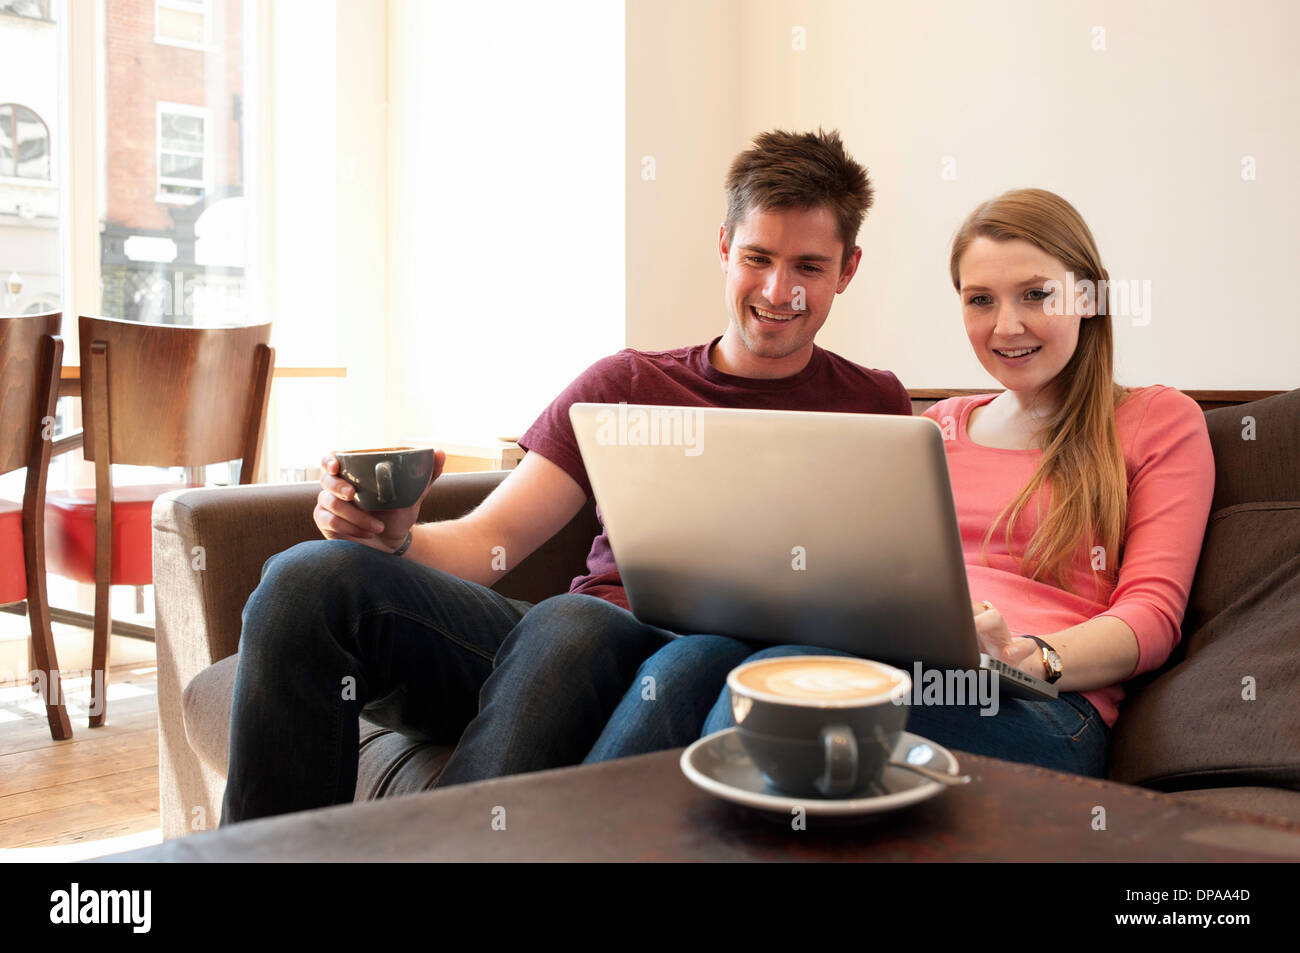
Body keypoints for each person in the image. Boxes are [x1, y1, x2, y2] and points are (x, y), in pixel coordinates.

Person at [220, 128, 912, 824]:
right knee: (306, 578)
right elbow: (489, 541)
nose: (778, 289)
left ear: (847, 269)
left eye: (809, 267)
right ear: (725, 246)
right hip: (570, 644)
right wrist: (394, 537)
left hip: (699, 668)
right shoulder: (627, 382)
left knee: (575, 626)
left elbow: (891, 584)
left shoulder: (877, 404)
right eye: (758, 257)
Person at [584, 188, 1215, 779]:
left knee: (774, 687)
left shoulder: (1158, 420)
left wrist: (1025, 656)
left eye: (1036, 295)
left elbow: (1152, 616)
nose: (1006, 326)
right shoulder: (936, 426)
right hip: (887, 663)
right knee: (689, 661)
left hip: (1042, 704)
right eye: (980, 299)